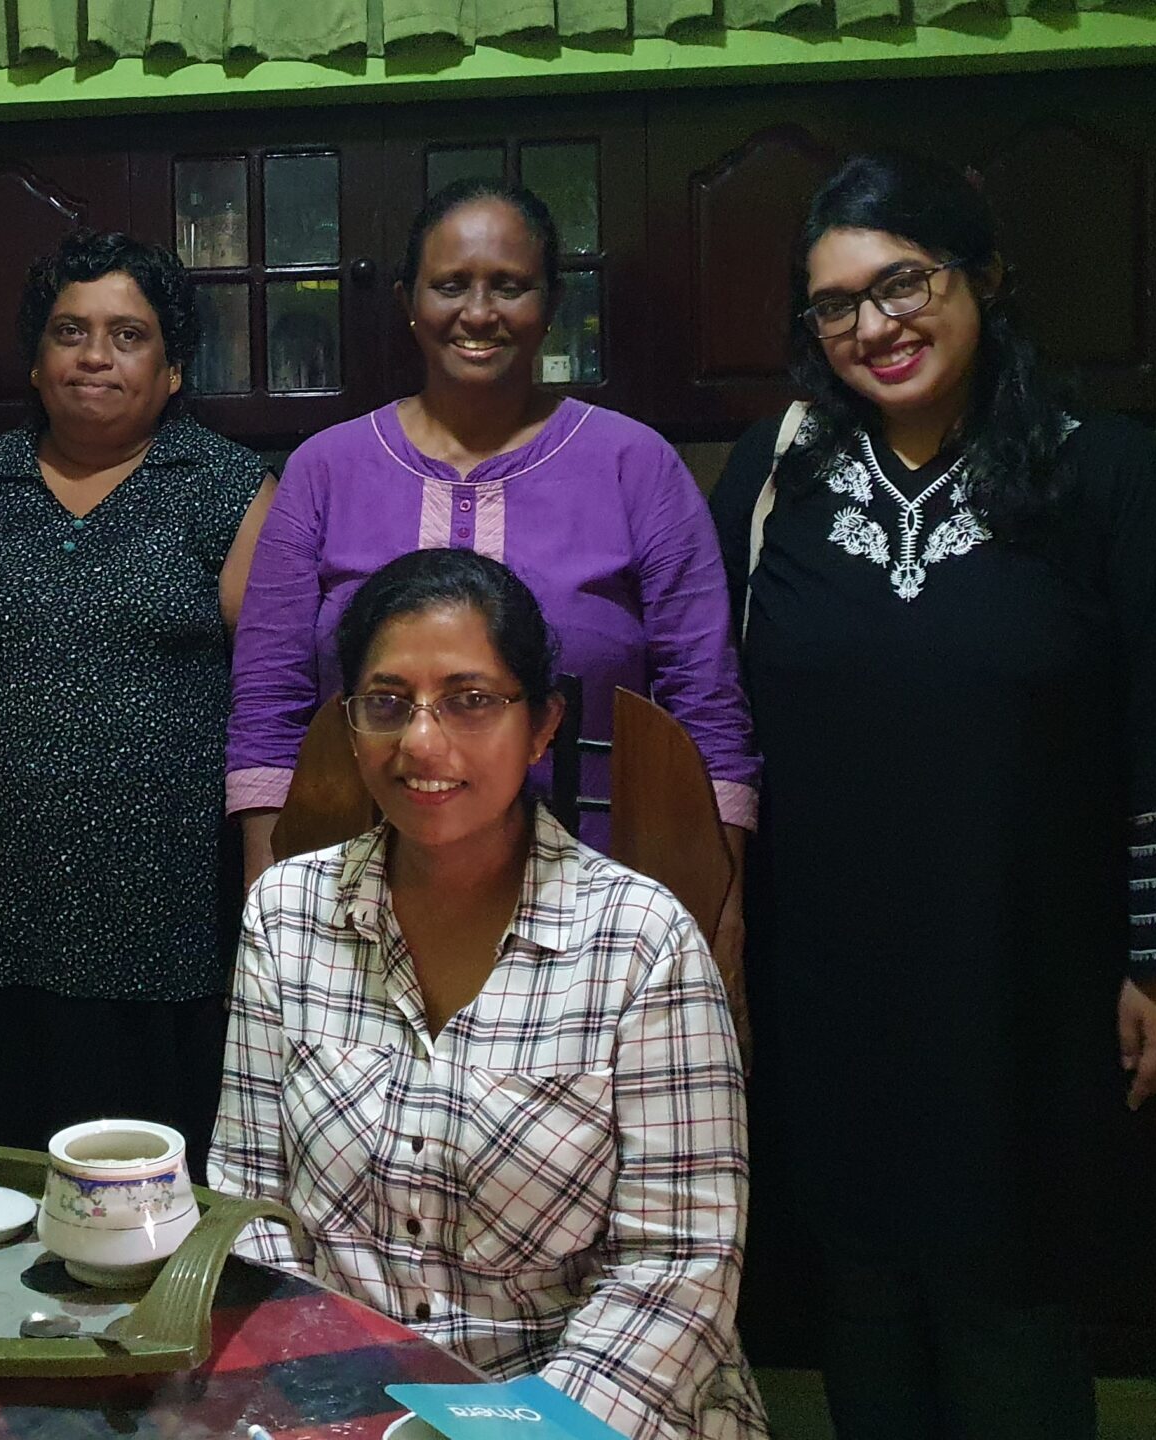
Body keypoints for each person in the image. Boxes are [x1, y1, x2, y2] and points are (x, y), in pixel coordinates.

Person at [709, 151, 1156, 1438]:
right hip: (827, 977)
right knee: (863, 1292)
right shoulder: (775, 476)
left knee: (1008, 1298)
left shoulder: (1106, 474)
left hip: (1030, 975)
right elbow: (713, 711)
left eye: (901, 282)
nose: (872, 326)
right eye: (835, 304)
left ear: (987, 279)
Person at [211, 548, 767, 1440]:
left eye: (471, 701)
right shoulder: (287, 913)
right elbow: (252, 1209)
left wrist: (518, 1432)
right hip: (349, 1406)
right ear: (351, 725)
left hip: (588, 1414)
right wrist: (331, 1413)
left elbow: (679, 1266)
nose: (423, 742)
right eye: (387, 704)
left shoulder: (640, 941)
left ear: (542, 725)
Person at [226, 180, 758, 921]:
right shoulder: (325, 469)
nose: (478, 312)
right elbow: (269, 702)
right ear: (411, 302)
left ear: (551, 306)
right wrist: (267, 889)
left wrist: (718, 901)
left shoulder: (637, 466)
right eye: (451, 285)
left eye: (509, 286)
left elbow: (704, 701)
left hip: (605, 903)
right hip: (354, 898)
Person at [0, 229, 276, 1159]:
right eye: (70, 331)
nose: (95, 356)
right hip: (9, 922)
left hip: (170, 931)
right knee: (9, 1195)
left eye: (128, 336)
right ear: (36, 357)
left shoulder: (224, 488)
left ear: (172, 370)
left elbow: (273, 700)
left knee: (150, 1207)